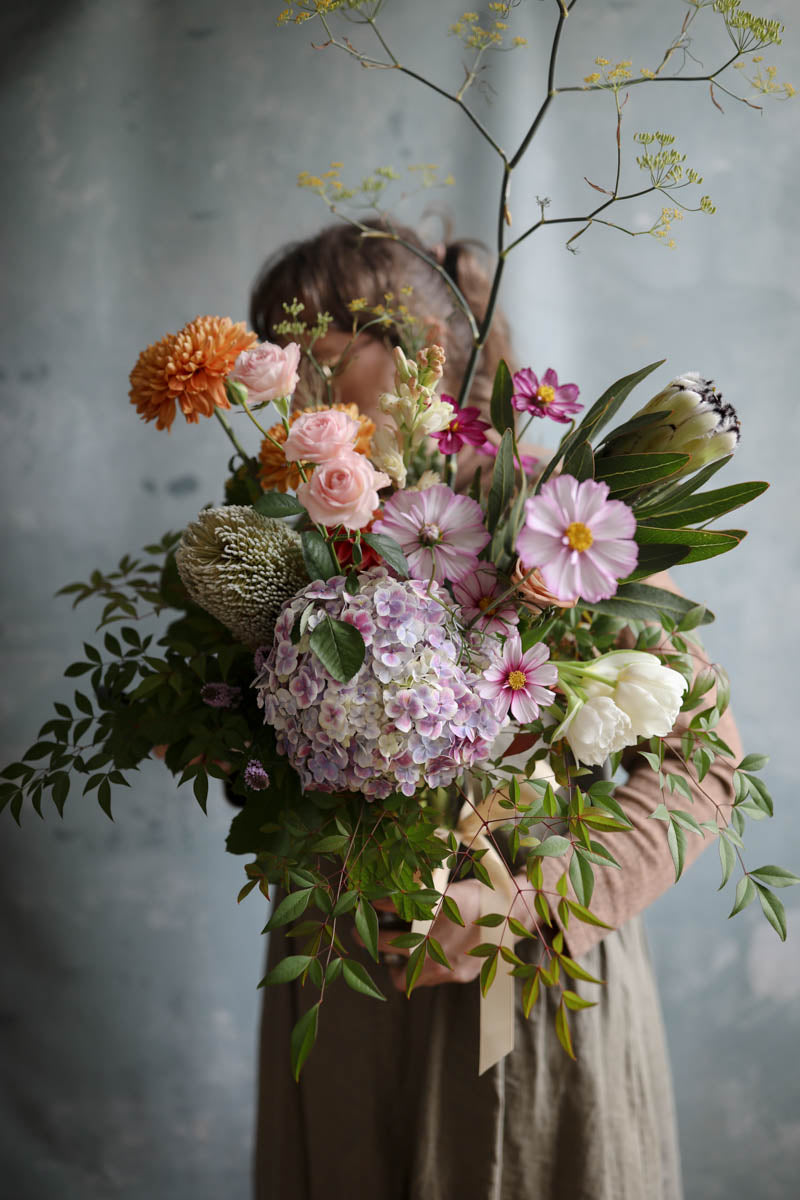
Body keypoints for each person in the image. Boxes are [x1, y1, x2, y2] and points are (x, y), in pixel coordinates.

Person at [248, 221, 741, 1200]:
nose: (297, 396)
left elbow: (706, 762)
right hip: (347, 988)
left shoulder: (563, 522)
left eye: (324, 361)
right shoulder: (280, 537)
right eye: (281, 367)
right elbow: (258, 756)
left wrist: (530, 909)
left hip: (528, 988)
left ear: (424, 355)